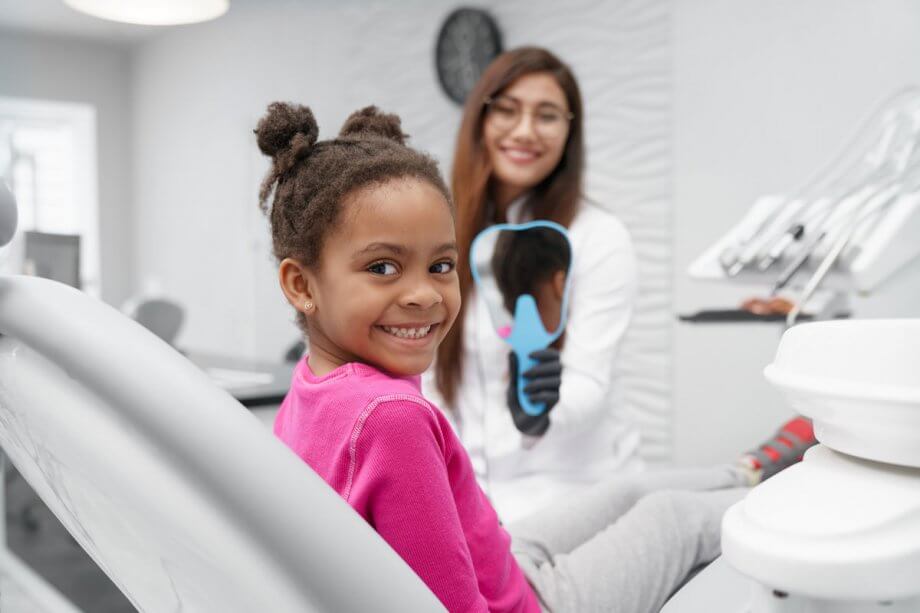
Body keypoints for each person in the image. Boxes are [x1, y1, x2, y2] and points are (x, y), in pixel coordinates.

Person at [257, 101, 814, 613]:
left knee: (626, 490)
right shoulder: (390, 418)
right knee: (674, 519)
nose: (424, 294)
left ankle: (746, 470)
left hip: (501, 556)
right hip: (533, 604)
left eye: (441, 266)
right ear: (301, 284)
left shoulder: (306, 388)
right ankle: (804, 494)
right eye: (382, 267)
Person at [425, 46, 643, 520]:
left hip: (572, 497)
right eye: (507, 109)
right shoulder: (444, 232)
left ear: (570, 132)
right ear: (480, 119)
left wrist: (543, 409)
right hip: (467, 494)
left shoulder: (597, 238)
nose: (525, 131)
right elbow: (429, 373)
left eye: (547, 116)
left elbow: (588, 381)